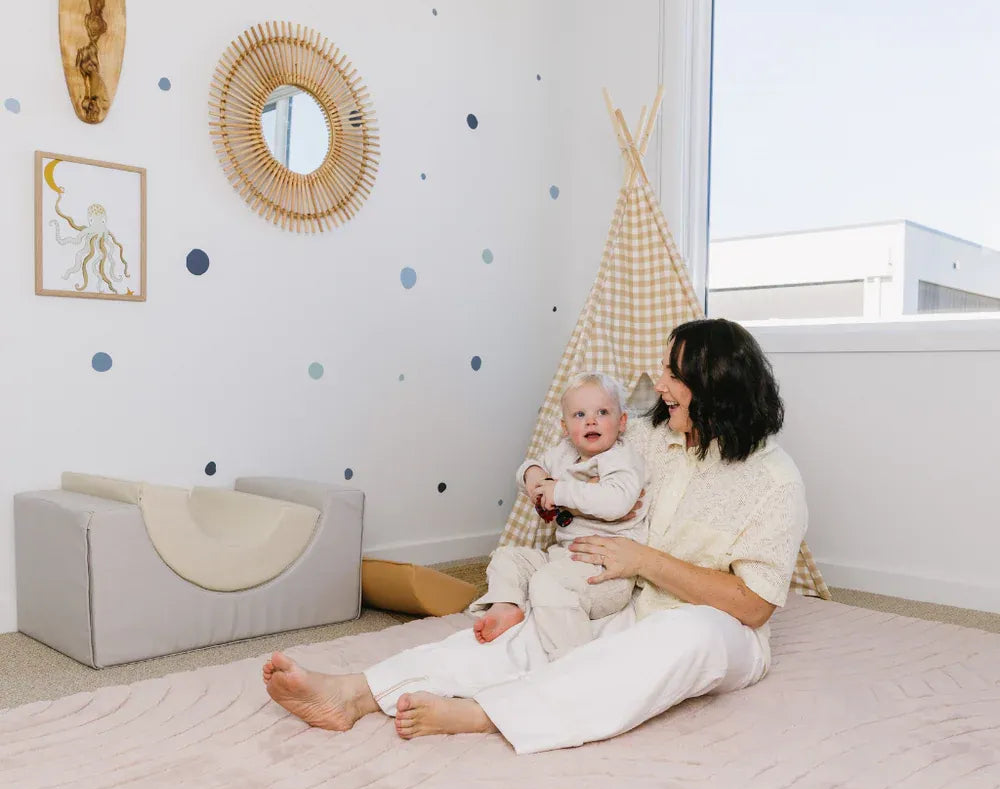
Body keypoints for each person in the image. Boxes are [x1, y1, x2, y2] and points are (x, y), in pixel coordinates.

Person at [263, 318, 808, 755]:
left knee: (688, 635)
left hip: (720, 629)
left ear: (715, 388)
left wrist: (644, 560)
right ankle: (356, 693)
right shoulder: (648, 438)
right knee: (534, 627)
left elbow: (754, 605)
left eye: (673, 373)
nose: (658, 384)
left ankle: (489, 714)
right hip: (628, 598)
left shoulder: (773, 481)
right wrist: (547, 489)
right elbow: (573, 456)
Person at [470, 371, 646, 660]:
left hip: (607, 572)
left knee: (548, 584)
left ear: (622, 421)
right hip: (564, 556)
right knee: (507, 558)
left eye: (602, 412)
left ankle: (570, 659)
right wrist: (534, 475)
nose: (591, 421)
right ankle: (506, 606)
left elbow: (617, 502)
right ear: (565, 427)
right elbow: (530, 466)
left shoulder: (622, 459)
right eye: (580, 414)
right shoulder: (564, 452)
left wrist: (560, 490)